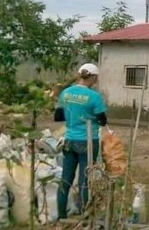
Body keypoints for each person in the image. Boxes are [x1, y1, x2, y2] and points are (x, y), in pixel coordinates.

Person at [54, 63, 108, 224]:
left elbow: (58, 116)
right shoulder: (94, 97)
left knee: (66, 179)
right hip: (88, 142)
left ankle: (62, 216)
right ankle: (85, 215)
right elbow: (102, 120)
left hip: (69, 140)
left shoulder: (66, 93)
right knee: (85, 180)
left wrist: (74, 116)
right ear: (93, 77)